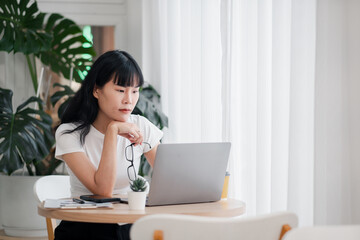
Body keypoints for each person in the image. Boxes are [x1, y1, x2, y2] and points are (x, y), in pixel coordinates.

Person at [54, 50, 163, 240]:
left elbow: (170, 177)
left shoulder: (141, 125)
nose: (129, 100)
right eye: (120, 90)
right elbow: (102, 190)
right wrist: (112, 131)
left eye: (135, 91)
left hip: (130, 223)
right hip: (87, 227)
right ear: (97, 90)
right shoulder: (68, 133)